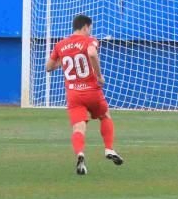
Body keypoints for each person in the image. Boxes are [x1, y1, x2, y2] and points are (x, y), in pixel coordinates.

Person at [46, 14, 123, 175]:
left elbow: (48, 67)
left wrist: (66, 58)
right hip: (91, 91)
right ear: (85, 27)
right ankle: (109, 149)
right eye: (90, 28)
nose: (90, 31)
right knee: (105, 116)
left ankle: (80, 153)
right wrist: (99, 75)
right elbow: (92, 53)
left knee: (78, 128)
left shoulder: (61, 45)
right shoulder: (89, 40)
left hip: (73, 94)